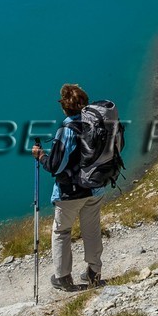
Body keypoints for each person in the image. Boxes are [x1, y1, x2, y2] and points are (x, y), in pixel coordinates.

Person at [32, 84, 104, 292]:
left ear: (64, 107)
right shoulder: (96, 124)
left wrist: (41, 156)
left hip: (70, 193)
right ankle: (94, 273)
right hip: (95, 188)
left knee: (62, 231)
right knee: (91, 230)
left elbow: (56, 166)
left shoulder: (67, 130)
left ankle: (63, 277)